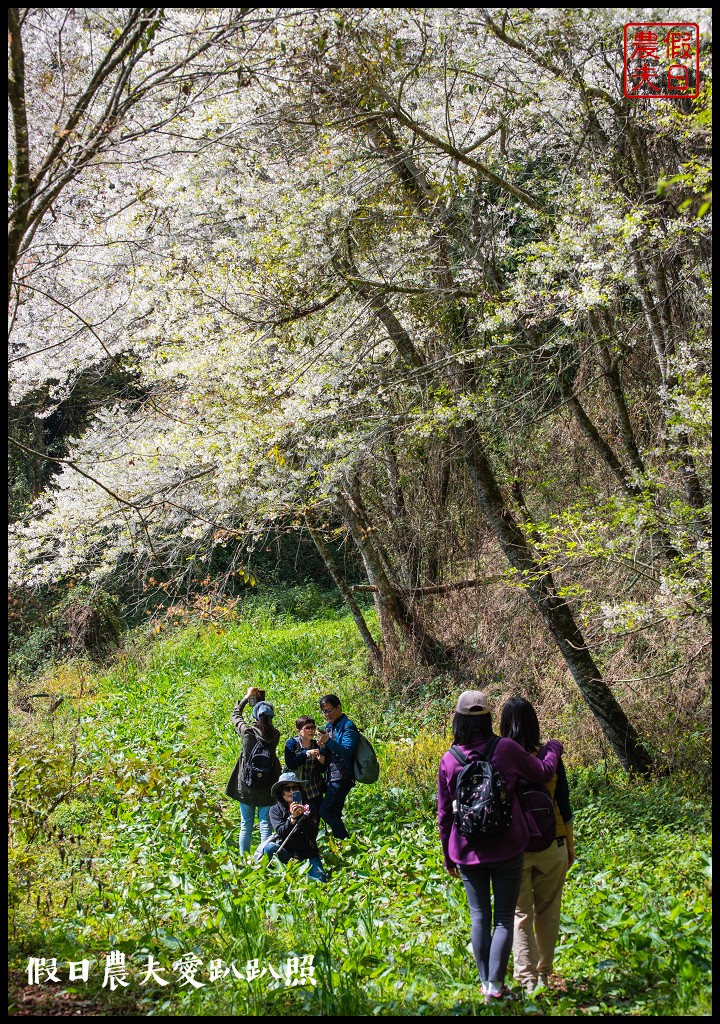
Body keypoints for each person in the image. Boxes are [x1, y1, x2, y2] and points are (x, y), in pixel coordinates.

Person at [437, 689, 564, 1003]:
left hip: (467, 850)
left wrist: (447, 854)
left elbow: (443, 814)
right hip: (508, 847)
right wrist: (554, 748)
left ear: (458, 720)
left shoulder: (449, 760)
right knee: (505, 918)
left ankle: (487, 986)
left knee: (479, 916)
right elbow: (544, 772)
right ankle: (496, 984)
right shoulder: (505, 748)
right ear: (488, 719)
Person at [499, 696, 575, 993]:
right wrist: (568, 844)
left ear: (504, 724)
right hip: (552, 842)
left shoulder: (500, 757)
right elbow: (564, 804)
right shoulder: (549, 757)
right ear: (535, 722)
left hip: (514, 849)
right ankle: (545, 972)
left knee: (520, 914)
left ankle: (526, 978)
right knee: (549, 910)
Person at [226, 685, 281, 856]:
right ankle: (264, 859)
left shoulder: (248, 732)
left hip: (247, 785)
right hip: (267, 785)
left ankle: (244, 859)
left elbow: (235, 716)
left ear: (255, 716)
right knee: (265, 824)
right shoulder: (275, 736)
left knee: (246, 824)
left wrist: (246, 697)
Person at [263, 772, 327, 882]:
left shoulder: (309, 807)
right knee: (269, 848)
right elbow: (281, 832)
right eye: (287, 789)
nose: (291, 792)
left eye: (295, 788)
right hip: (287, 852)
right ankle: (277, 874)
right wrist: (292, 819)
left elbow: (313, 833)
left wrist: (303, 817)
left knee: (320, 882)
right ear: (281, 792)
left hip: (308, 854)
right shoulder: (275, 810)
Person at [315, 694, 358, 841]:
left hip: (343, 776)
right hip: (331, 776)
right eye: (324, 711)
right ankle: (342, 844)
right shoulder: (329, 727)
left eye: (329, 710)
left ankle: (345, 839)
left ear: (339, 707)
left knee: (325, 811)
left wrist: (328, 741)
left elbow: (347, 751)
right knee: (334, 811)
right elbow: (328, 752)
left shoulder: (348, 726)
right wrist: (322, 747)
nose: (327, 714)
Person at [284, 716, 328, 817]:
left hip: (314, 788)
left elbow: (322, 770)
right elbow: (290, 763)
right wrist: (306, 754)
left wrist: (322, 761)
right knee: (297, 815)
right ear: (299, 730)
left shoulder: (317, 745)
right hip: (296, 788)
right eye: (307, 728)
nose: (311, 731)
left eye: (312, 727)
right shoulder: (292, 743)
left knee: (314, 818)